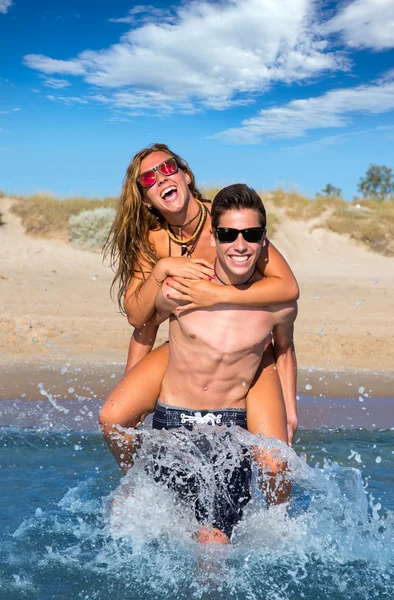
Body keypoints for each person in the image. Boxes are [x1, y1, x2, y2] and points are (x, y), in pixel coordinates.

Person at [100, 144, 299, 474]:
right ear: (146, 198)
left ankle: (281, 521)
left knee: (275, 463)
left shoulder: (226, 225)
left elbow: (287, 287)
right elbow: (139, 317)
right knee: (113, 418)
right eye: (148, 178)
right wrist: (162, 267)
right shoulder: (151, 242)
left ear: (185, 175)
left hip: (249, 348)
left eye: (167, 168)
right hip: (190, 342)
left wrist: (215, 296)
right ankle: (136, 483)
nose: (160, 178)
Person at [142, 184, 298, 544]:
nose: (239, 245)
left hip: (231, 429)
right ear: (214, 238)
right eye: (228, 234)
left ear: (263, 240)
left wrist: (289, 410)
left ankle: (279, 535)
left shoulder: (277, 304)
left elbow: (285, 350)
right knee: (159, 530)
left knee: (214, 544)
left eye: (251, 234)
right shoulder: (182, 289)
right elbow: (142, 322)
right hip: (174, 426)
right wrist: (161, 270)